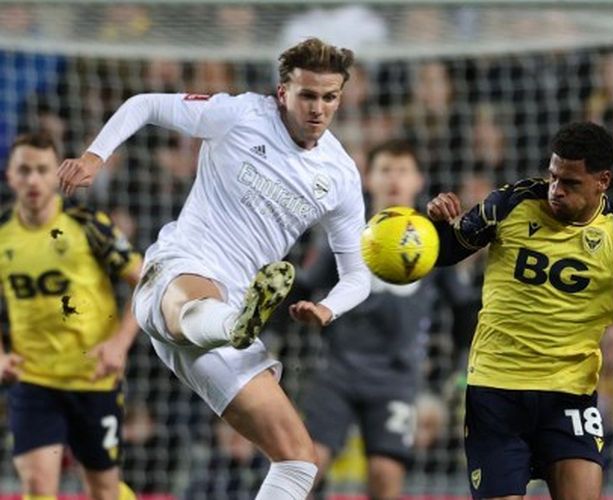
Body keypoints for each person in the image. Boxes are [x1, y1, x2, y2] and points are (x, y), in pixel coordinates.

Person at [57, 38, 371, 500]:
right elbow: (144, 104)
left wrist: (327, 309)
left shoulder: (340, 176)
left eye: (330, 97)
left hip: (224, 332)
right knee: (199, 300)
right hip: (177, 276)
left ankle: (233, 323)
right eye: (308, 95)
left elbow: (358, 275)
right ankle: (231, 322)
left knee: (299, 460)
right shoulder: (240, 115)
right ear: (283, 92)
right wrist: (93, 158)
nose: (318, 108)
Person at [425, 121, 613, 499]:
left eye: (570, 183)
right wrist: (436, 225)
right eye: (553, 176)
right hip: (497, 388)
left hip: (569, 393)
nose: (556, 190)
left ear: (602, 180)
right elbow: (445, 252)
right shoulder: (512, 202)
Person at [297, 139, 475, 499]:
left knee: (385, 476)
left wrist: (460, 364)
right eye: (385, 170)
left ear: (418, 180)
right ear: (368, 179)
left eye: (403, 170)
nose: (394, 178)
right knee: (307, 465)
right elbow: (304, 286)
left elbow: (463, 306)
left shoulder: (435, 241)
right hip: (338, 371)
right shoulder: (343, 233)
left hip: (397, 378)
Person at [0, 132, 142, 500]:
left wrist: (120, 345)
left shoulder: (87, 224)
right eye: (24, 170)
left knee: (103, 490)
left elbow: (147, 282)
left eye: (42, 170)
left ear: (56, 175)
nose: (33, 180)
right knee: (37, 486)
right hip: (33, 379)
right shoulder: (2, 235)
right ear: (10, 175)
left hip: (93, 376)